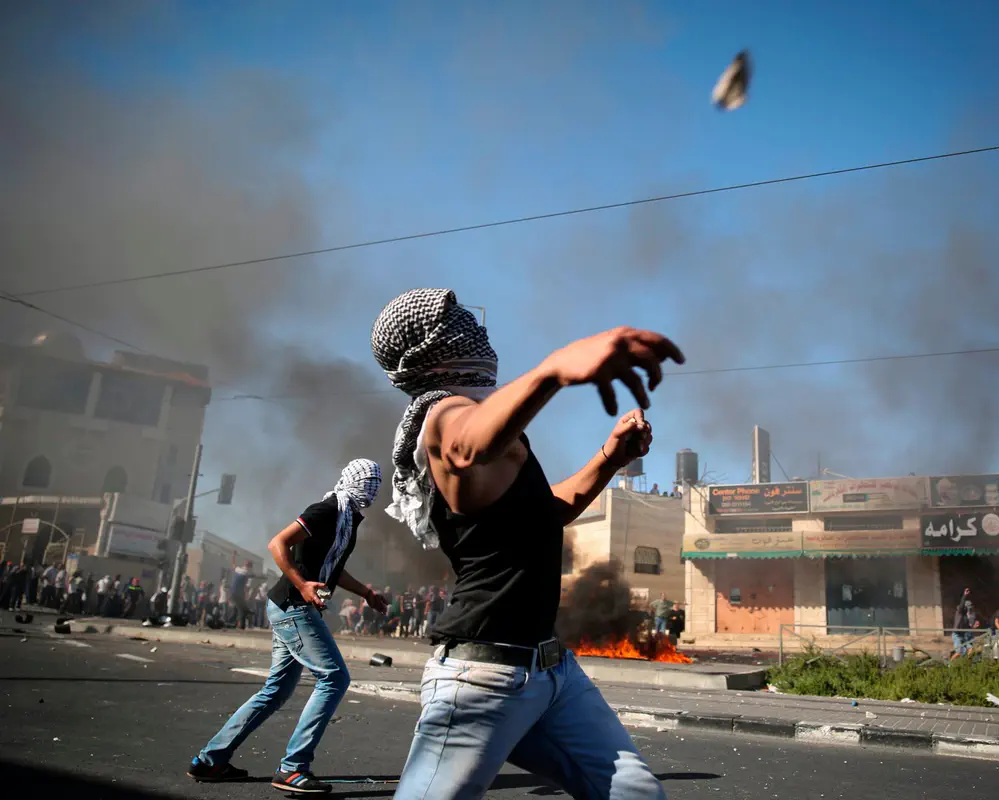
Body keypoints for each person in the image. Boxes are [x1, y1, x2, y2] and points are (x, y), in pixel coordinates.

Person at [371, 288, 682, 799]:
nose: (477, 329)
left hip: (552, 672)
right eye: (458, 320)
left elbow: (548, 511)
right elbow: (464, 445)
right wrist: (554, 370)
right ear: (430, 347)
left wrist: (611, 458)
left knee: (638, 793)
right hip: (483, 678)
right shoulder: (442, 413)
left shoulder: (493, 430)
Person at [187, 459, 388, 794]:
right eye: (368, 480)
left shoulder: (348, 519)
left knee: (277, 690)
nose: (373, 488)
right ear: (351, 479)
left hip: (292, 607)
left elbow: (332, 567)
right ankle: (293, 768)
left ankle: (211, 761)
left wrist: (366, 593)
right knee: (335, 677)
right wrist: (303, 584)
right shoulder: (326, 510)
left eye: (377, 482)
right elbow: (278, 544)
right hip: (293, 606)